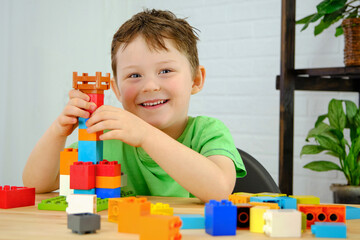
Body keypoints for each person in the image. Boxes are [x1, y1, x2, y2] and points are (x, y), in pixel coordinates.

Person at [23, 9, 246, 202]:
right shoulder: (105, 136)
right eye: (134, 74)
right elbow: (36, 184)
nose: (149, 86)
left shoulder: (208, 132)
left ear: (196, 80)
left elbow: (219, 190)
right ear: (117, 90)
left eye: (165, 71)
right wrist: (57, 132)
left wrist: (145, 135)